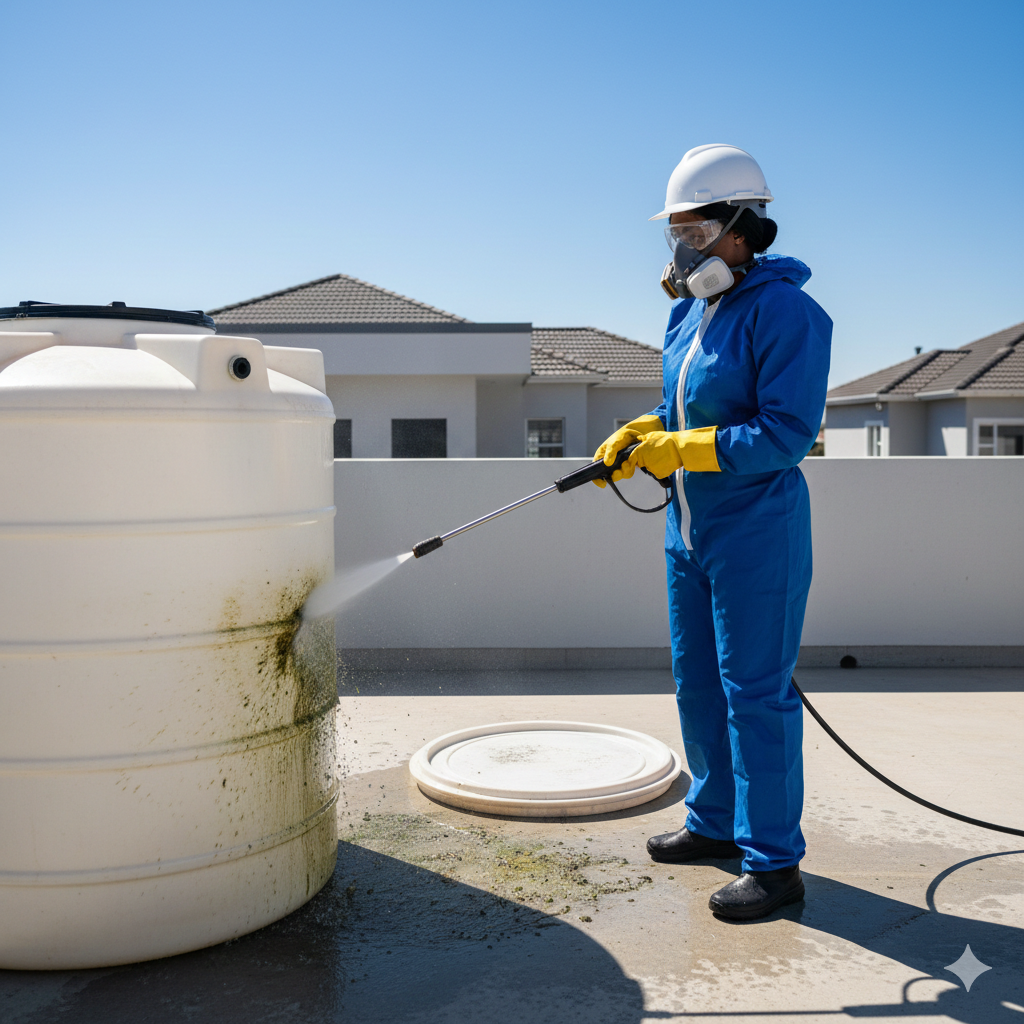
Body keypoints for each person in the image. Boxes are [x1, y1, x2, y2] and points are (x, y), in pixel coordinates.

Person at [594, 144, 832, 921]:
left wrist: (682, 448)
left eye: (695, 231)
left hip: (756, 533)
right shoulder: (688, 312)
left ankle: (773, 863)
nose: (682, 247)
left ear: (742, 226)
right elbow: (688, 414)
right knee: (697, 685)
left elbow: (786, 435)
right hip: (687, 533)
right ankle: (714, 822)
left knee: (755, 696)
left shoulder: (789, 312)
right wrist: (644, 431)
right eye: (676, 232)